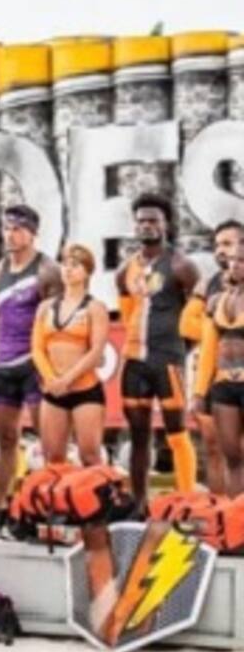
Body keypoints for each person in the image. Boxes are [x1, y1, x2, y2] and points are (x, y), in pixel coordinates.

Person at [0, 206, 62, 526]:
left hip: (35, 363)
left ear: (33, 233)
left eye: (18, 229)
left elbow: (57, 322)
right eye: (7, 229)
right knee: (6, 438)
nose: (11, 235)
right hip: (4, 364)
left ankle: (51, 503)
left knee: (47, 440)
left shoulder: (48, 271)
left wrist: (53, 367)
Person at [115, 193, 199, 502]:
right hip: (134, 363)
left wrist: (179, 349)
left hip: (168, 361)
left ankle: (188, 502)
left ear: (166, 224)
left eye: (153, 220)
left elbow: (197, 318)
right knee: (138, 437)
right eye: (141, 221)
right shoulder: (125, 271)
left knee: (176, 433)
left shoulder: (181, 266)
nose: (146, 225)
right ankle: (139, 505)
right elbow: (127, 318)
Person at [30, 245, 109, 466]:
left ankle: (100, 489)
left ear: (87, 272)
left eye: (75, 265)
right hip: (53, 389)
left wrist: (67, 379)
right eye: (65, 264)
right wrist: (51, 379)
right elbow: (37, 348)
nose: (68, 269)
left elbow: (96, 351)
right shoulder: (45, 307)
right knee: (53, 456)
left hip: (84, 389)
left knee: (90, 455)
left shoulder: (95, 308)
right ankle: (58, 491)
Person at [182, 219, 243, 494]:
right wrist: (198, 392)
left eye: (240, 259)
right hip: (223, 383)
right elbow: (207, 348)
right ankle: (233, 515)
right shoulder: (214, 297)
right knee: (230, 455)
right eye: (232, 260)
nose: (234, 264)